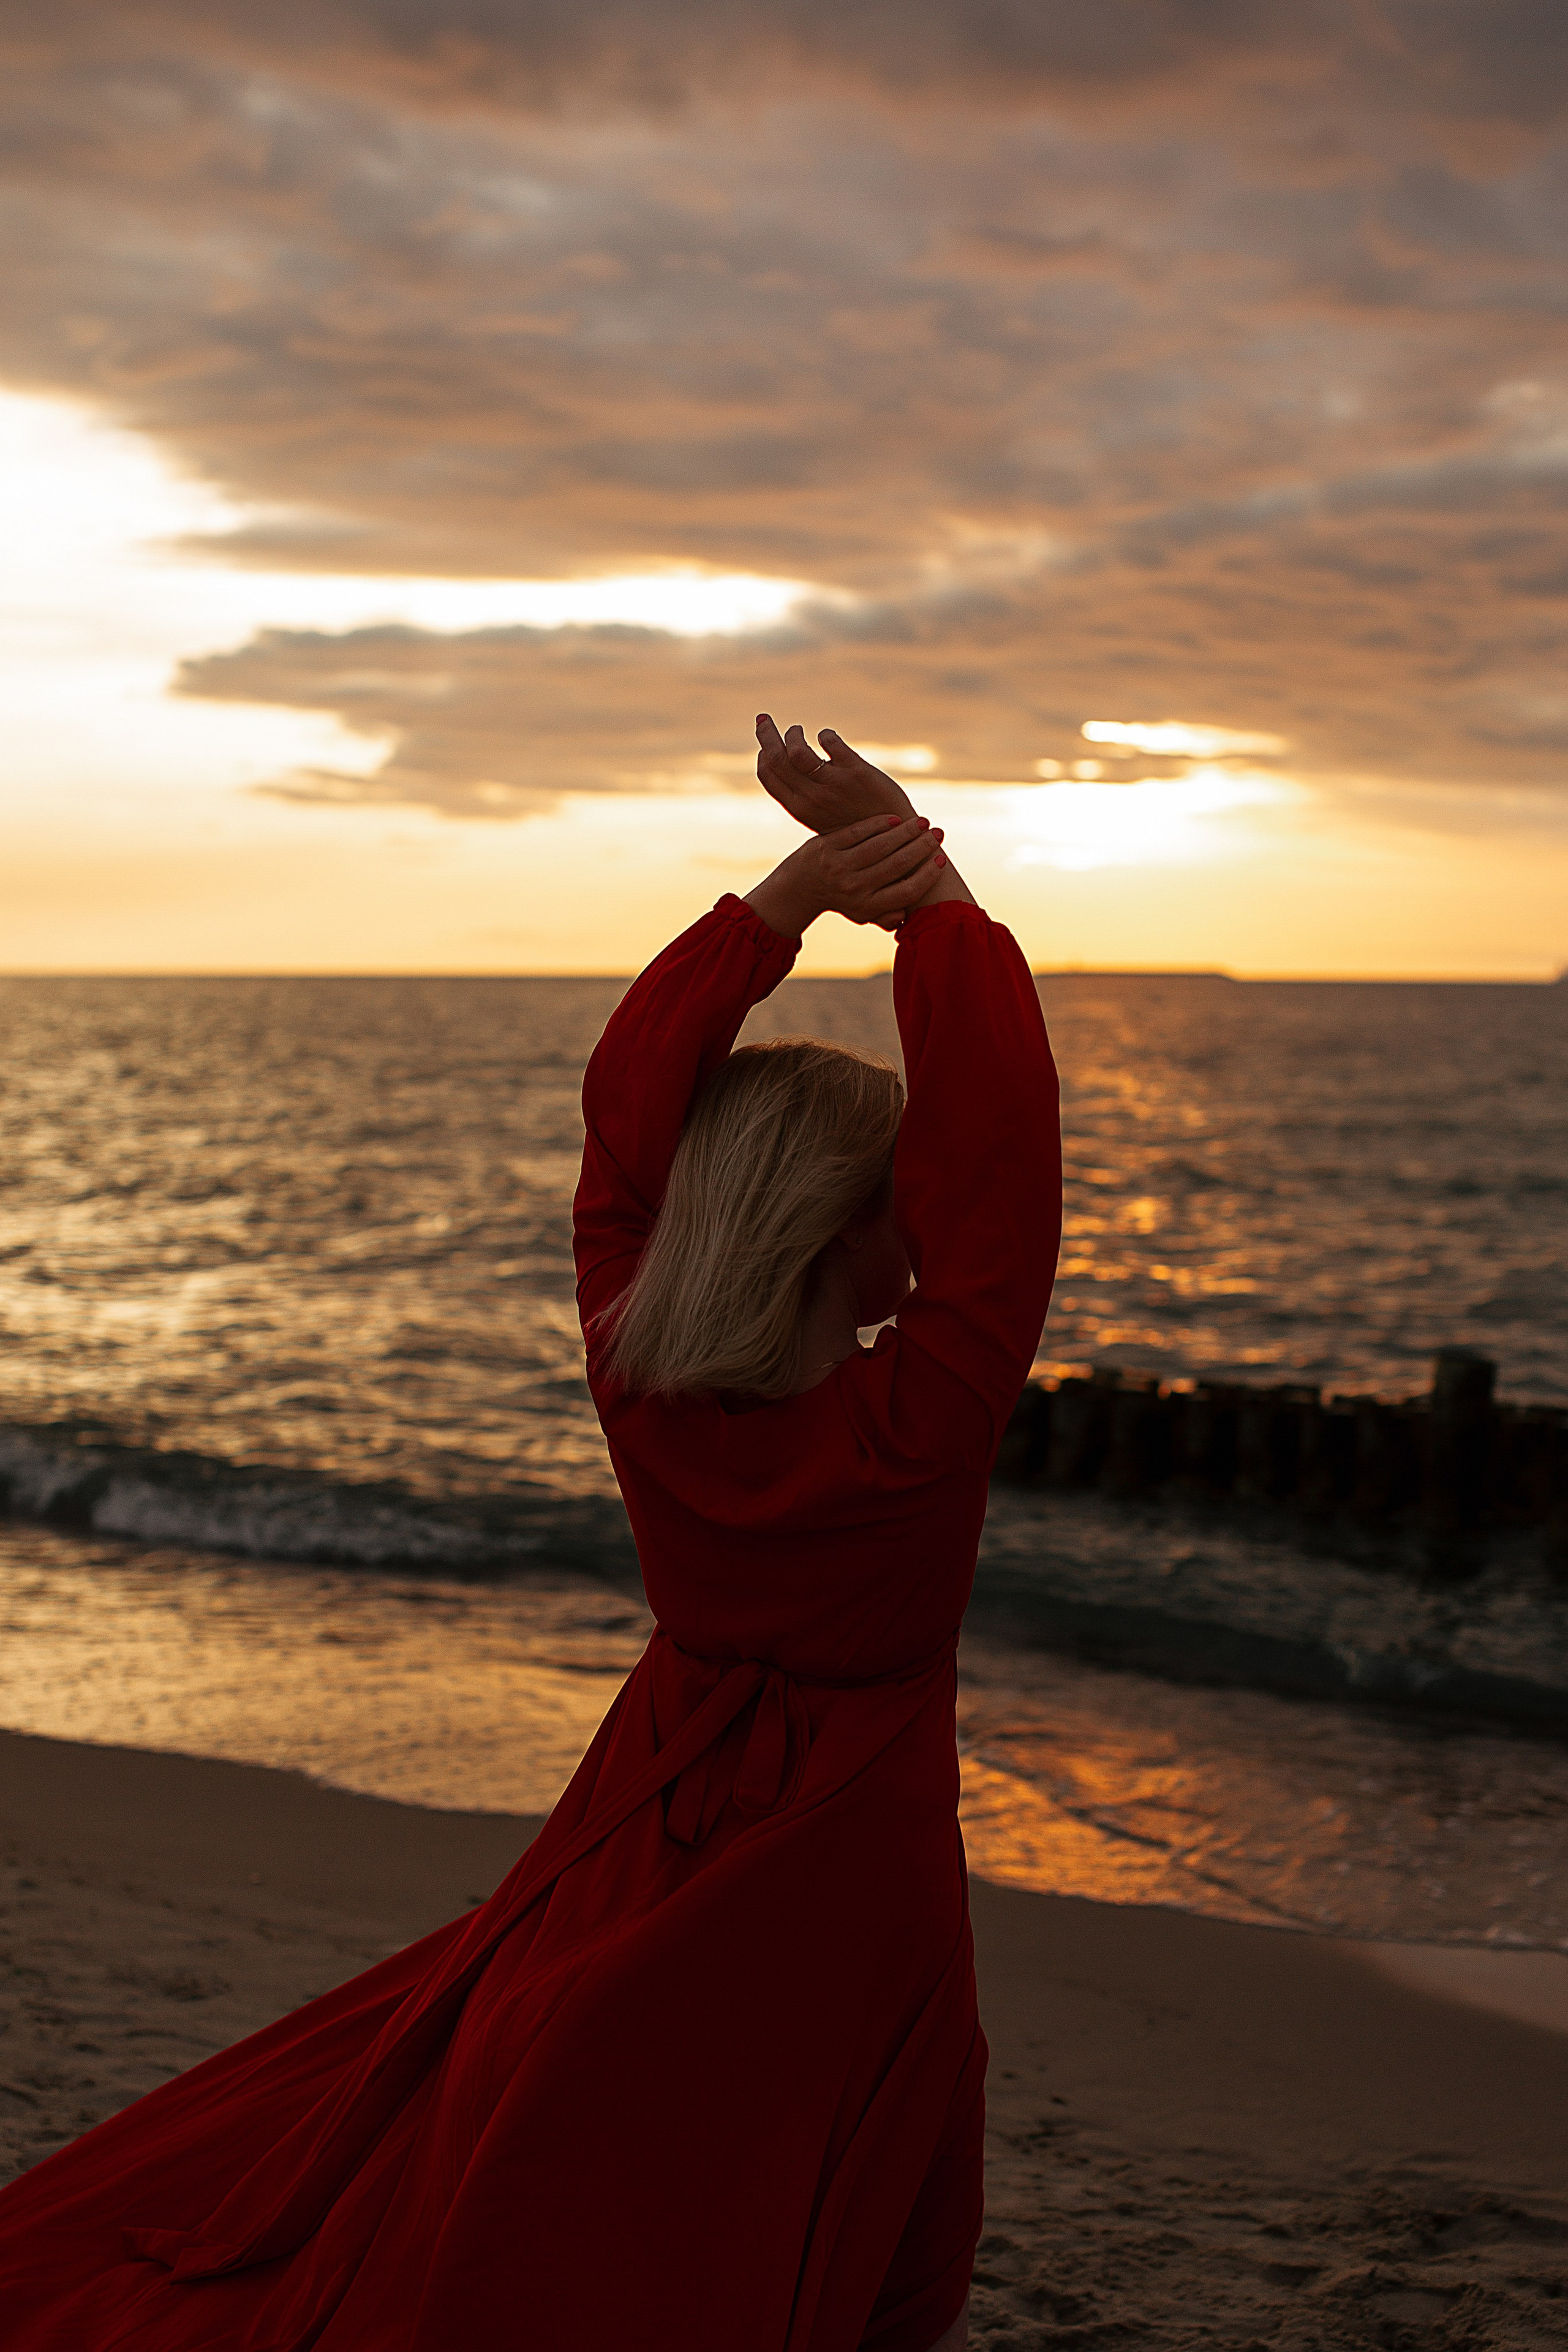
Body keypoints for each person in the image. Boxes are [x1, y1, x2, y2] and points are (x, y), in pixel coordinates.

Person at [0, 720, 1061, 2352]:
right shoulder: (918, 1429)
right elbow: (1004, 1162)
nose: (930, 1198)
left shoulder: (649, 1381)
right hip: (856, 1848)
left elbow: (628, 1127)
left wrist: (785, 901)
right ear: (847, 1227)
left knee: (602, 2105)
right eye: (898, 1182)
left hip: (652, 1812)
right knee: (860, 2162)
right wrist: (924, 890)